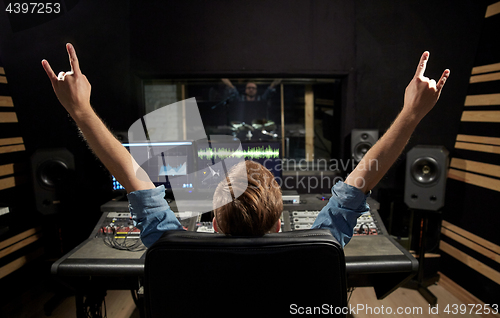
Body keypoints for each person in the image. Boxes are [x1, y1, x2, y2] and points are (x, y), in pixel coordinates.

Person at [42, 43, 449, 248]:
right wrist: (412, 114)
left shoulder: (172, 247)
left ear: (213, 222)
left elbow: (130, 173)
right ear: (277, 225)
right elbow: (363, 177)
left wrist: (80, 110)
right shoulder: (320, 245)